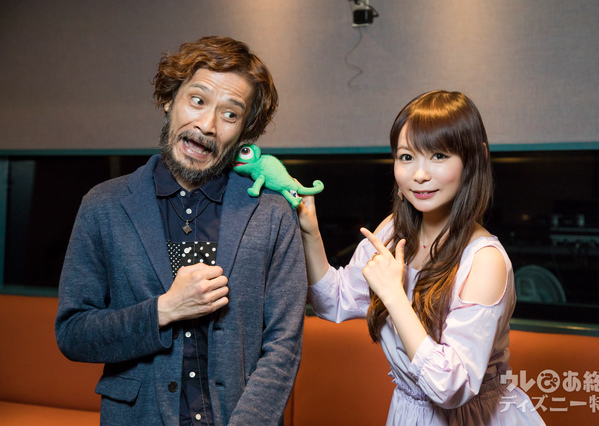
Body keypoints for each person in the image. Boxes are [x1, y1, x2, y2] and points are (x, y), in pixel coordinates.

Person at [55, 36, 307, 426]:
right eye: (197, 100)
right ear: (169, 100)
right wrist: (165, 310)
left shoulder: (271, 212)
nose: (207, 125)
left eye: (230, 114)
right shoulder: (104, 205)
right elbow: (74, 334)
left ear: (245, 130)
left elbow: (283, 344)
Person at [298, 90, 546, 425]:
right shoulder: (392, 232)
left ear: (474, 159)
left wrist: (393, 295)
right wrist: (310, 231)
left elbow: (450, 387)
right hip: (409, 412)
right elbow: (333, 301)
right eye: (406, 157)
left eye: (439, 155)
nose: (419, 174)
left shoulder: (485, 260)